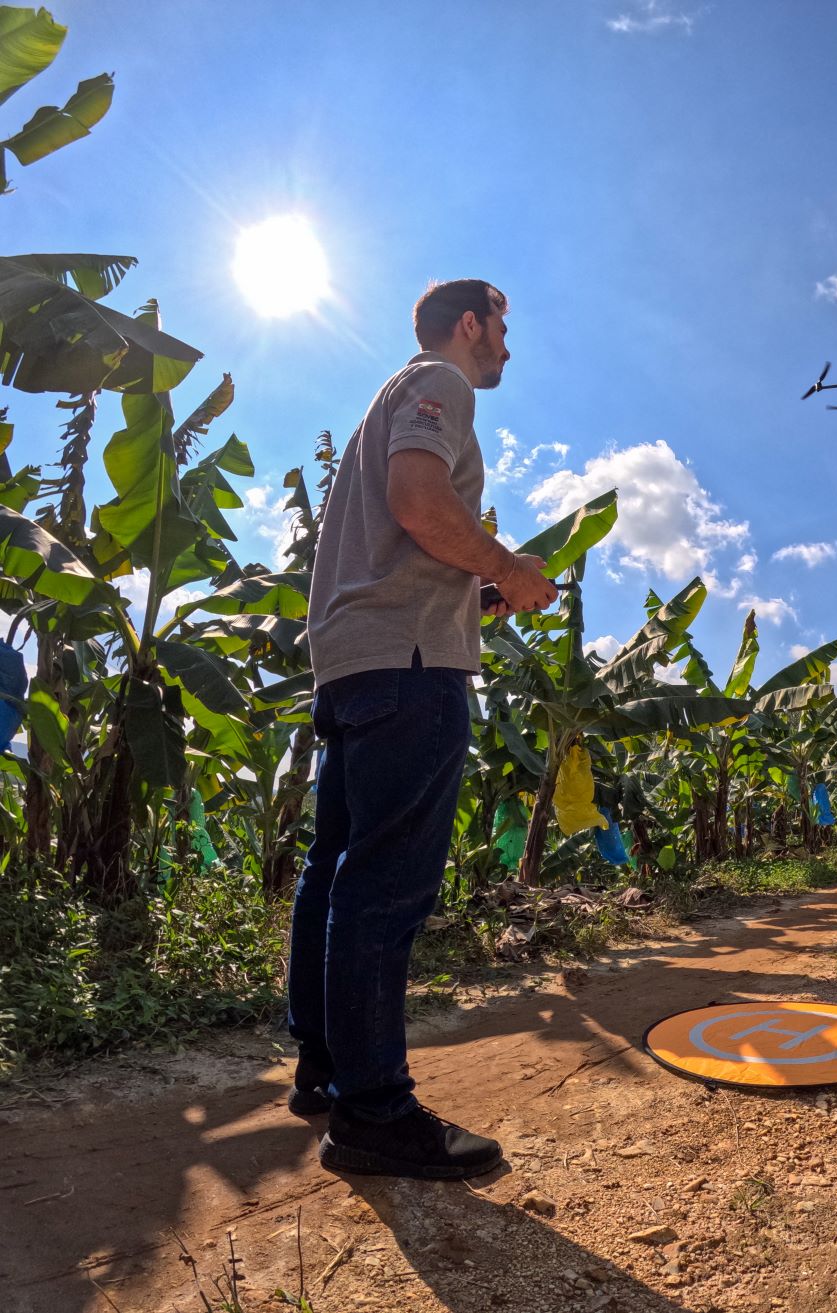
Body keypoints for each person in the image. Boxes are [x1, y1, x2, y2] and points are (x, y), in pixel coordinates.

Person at [286, 279, 558, 1180]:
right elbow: (417, 500)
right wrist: (506, 565)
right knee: (385, 886)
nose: (507, 352)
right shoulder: (441, 382)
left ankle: (326, 1068)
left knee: (337, 869)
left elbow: (399, 536)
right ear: (470, 325)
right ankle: (375, 1115)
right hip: (406, 670)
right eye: (502, 331)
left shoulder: (392, 397)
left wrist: (475, 588)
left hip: (357, 662)